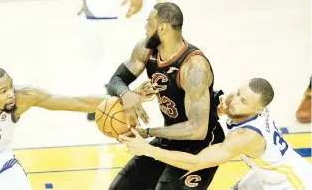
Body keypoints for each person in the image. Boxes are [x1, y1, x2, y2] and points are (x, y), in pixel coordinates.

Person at [106, 2, 225, 190]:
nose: (145, 26)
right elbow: (116, 80)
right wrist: (126, 93)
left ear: (162, 28)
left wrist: (149, 133)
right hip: (171, 137)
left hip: (201, 145)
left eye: (148, 22)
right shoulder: (146, 49)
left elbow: (197, 129)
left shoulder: (194, 67)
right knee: (121, 187)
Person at [121, 78, 312, 190]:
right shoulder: (246, 108)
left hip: (293, 183)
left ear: (259, 109)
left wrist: (147, 149)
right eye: (238, 93)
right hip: (269, 173)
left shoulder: (245, 136)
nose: (235, 101)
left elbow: (195, 162)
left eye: (243, 101)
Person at [0, 65, 106, 190]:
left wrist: (117, 100)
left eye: (11, 87)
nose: (11, 94)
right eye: (3, 91)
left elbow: (78, 102)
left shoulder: (23, 97)